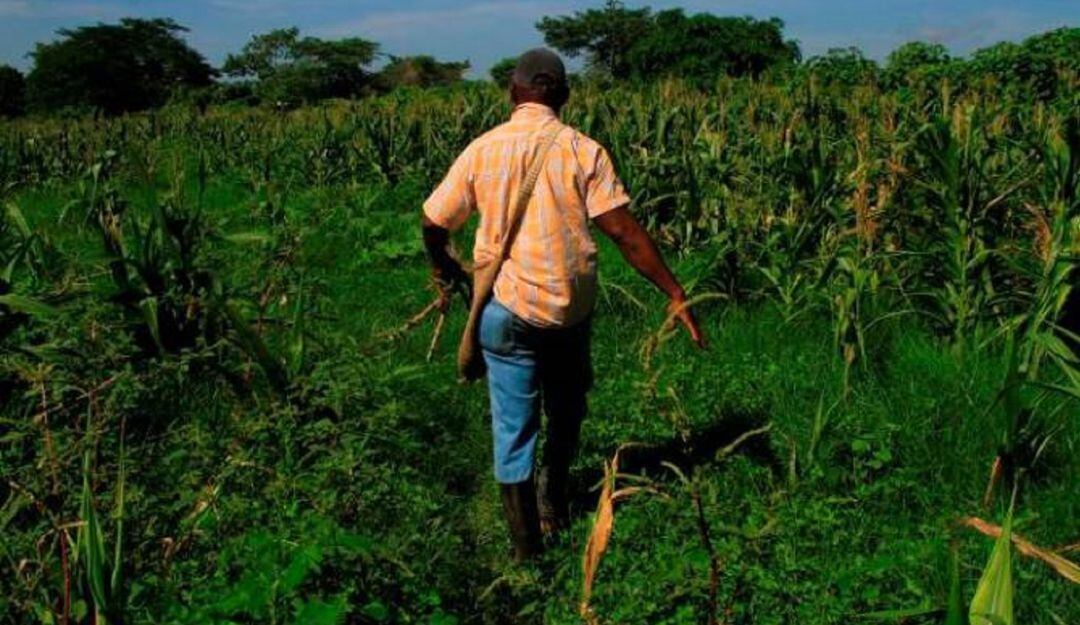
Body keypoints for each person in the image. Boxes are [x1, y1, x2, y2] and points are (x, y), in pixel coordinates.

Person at [421, 48, 703, 562]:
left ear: (513, 92)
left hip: (505, 312)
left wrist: (444, 266)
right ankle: (552, 497)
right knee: (567, 410)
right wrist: (675, 292)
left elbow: (433, 221)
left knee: (514, 429)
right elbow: (624, 233)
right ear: (565, 96)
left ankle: (527, 552)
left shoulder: (482, 149)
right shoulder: (582, 150)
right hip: (569, 316)